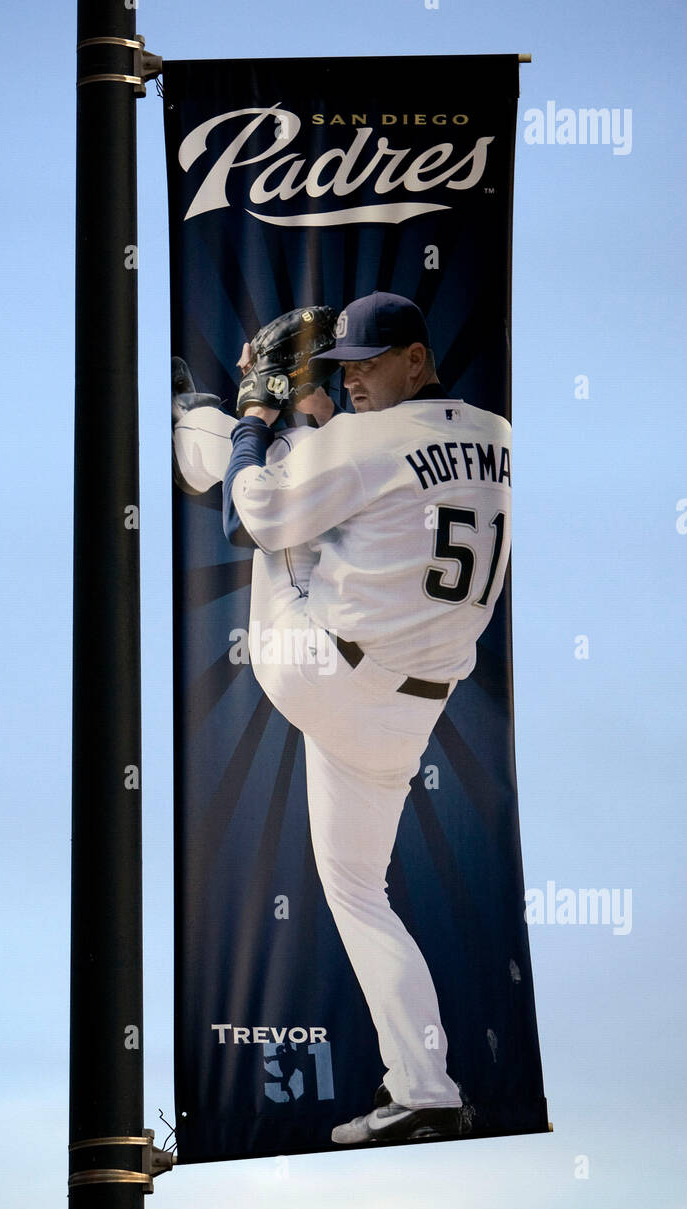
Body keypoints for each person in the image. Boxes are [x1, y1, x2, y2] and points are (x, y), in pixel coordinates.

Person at [219, 292, 512, 1145]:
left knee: (256, 492)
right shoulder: (501, 437)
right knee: (356, 890)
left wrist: (261, 416)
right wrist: (318, 428)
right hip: (409, 715)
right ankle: (426, 1089)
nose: (353, 381)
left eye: (367, 365)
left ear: (417, 359)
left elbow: (261, 510)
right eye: (342, 371)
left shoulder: (363, 438)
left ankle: (191, 420)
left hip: (316, 671)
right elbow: (390, 475)